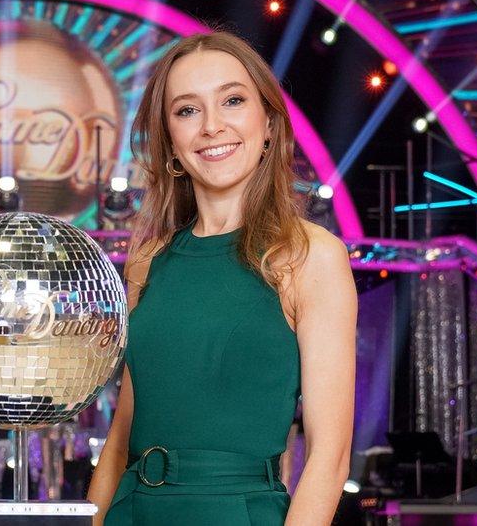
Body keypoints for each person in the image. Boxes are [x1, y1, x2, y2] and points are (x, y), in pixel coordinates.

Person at [87, 31, 356, 525]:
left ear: (269, 122)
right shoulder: (147, 261)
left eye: (232, 100)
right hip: (135, 511)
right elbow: (122, 438)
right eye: (187, 110)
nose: (212, 126)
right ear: (169, 141)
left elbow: (329, 456)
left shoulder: (311, 255)